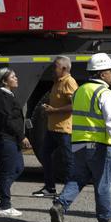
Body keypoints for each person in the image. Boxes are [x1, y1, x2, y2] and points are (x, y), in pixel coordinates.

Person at [48, 53, 111, 222]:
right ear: (101, 74)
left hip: (79, 143)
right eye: (109, 71)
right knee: (104, 182)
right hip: (99, 145)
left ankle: (60, 205)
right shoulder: (105, 93)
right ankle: (105, 219)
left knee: (78, 178)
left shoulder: (80, 91)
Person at [0, 67, 31, 217]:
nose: (16, 78)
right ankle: (5, 206)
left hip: (10, 138)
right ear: (4, 81)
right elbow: (7, 120)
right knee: (9, 170)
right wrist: (21, 136)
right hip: (4, 138)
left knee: (18, 168)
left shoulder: (7, 95)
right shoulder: (0, 97)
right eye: (13, 77)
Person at [34, 56, 76, 197]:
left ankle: (69, 191)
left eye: (55, 67)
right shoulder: (57, 82)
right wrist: (47, 110)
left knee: (68, 160)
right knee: (45, 155)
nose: (53, 69)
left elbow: (74, 105)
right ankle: (49, 188)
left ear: (64, 68)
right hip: (53, 128)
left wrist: (54, 111)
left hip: (64, 129)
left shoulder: (69, 82)